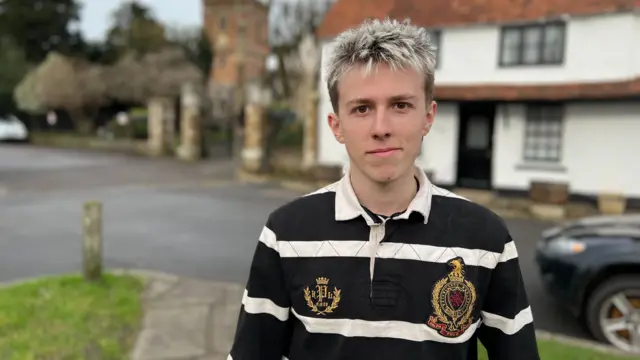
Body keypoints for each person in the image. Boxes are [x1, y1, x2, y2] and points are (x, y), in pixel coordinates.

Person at [227, 18, 540, 360]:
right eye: (362, 108)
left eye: (400, 105)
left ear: (428, 117)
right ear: (337, 125)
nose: (381, 128)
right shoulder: (285, 233)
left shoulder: (487, 238)